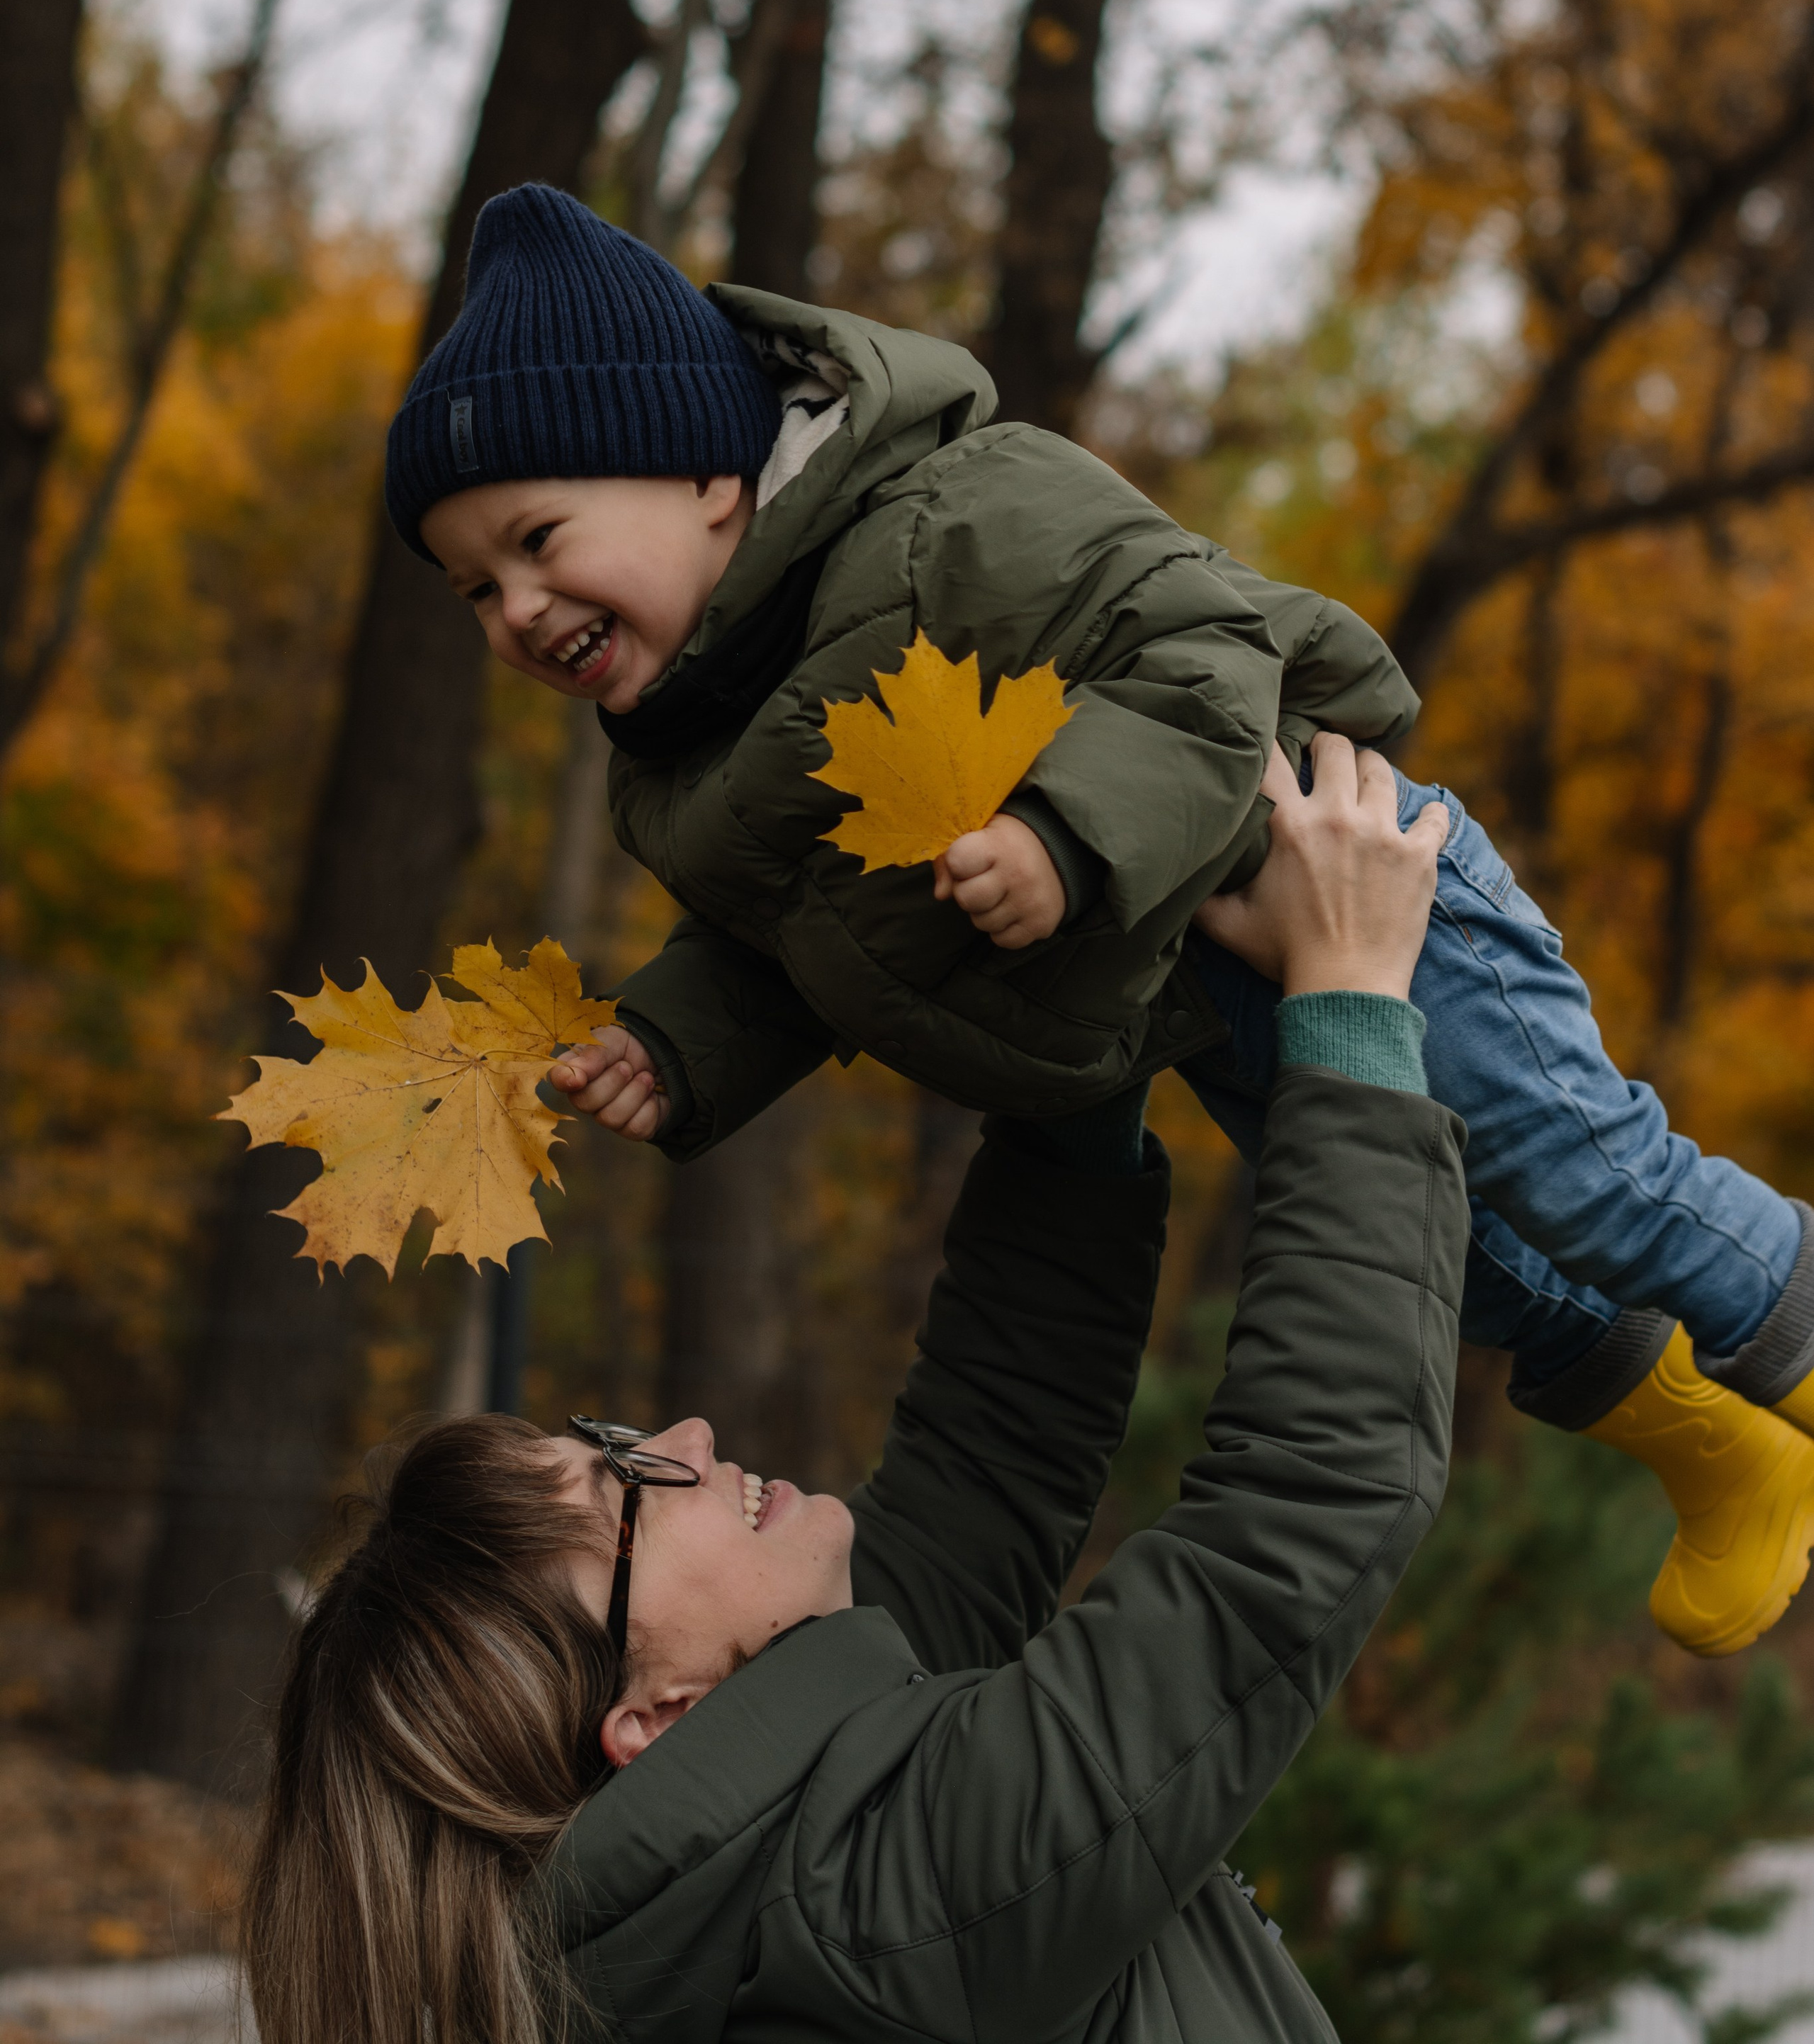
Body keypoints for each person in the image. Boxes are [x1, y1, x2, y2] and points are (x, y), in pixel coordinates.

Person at [383, 182, 1814, 1658]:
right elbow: (790, 942)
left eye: (540, 538)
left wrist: (1064, 835)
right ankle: (1722, 1451)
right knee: (1491, 1276)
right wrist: (677, 1047)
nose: (516, 607)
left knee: (1579, 1171)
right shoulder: (682, 762)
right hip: (1201, 999)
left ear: (702, 475)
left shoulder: (956, 515)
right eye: (475, 589)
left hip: (1334, 865)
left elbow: (1206, 651)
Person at [247, 736, 1465, 2044]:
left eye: (612, 1436)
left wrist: (1073, 1073)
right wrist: (1351, 1003)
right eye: (630, 1486)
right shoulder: (880, 1918)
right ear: (650, 1718)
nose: (688, 1436)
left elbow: (990, 1465)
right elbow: (1300, 1512)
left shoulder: (753, 1860)